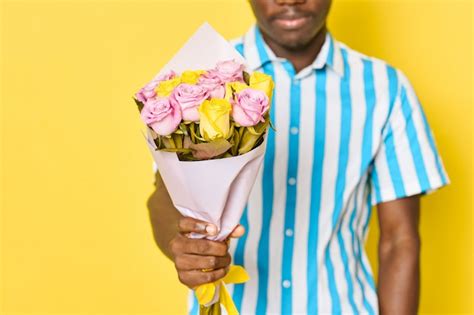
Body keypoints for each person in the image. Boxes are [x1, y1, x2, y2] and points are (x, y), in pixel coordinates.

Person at [146, 0, 449, 314]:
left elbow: (399, 240)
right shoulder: (198, 79)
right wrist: (182, 247)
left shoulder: (386, 88)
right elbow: (164, 194)